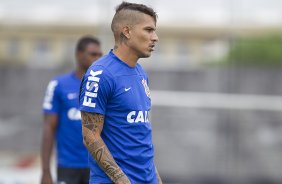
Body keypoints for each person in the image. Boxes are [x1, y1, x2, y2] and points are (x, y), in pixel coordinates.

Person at [79, 2, 162, 184]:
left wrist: (156, 178)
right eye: (148, 30)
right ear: (127, 31)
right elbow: (90, 136)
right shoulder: (100, 74)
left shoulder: (140, 73)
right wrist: (121, 180)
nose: (155, 37)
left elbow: (140, 134)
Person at [41, 36, 103, 184]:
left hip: (98, 166)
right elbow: (49, 128)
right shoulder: (58, 85)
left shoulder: (104, 86)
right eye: (93, 54)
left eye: (100, 55)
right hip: (68, 166)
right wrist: (45, 171)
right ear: (79, 55)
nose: (98, 58)